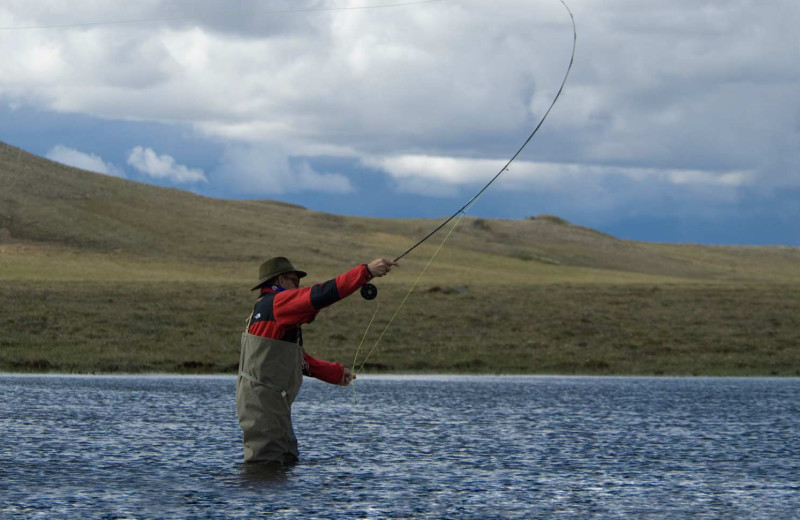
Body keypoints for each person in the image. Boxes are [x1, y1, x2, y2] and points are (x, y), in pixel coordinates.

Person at [236, 256, 397, 465]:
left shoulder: (268, 308)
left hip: (270, 403)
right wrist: (365, 272)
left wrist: (335, 374)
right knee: (266, 464)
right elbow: (320, 295)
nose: (298, 286)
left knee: (285, 459)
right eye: (295, 281)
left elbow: (296, 360)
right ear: (279, 281)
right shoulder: (278, 303)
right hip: (264, 405)